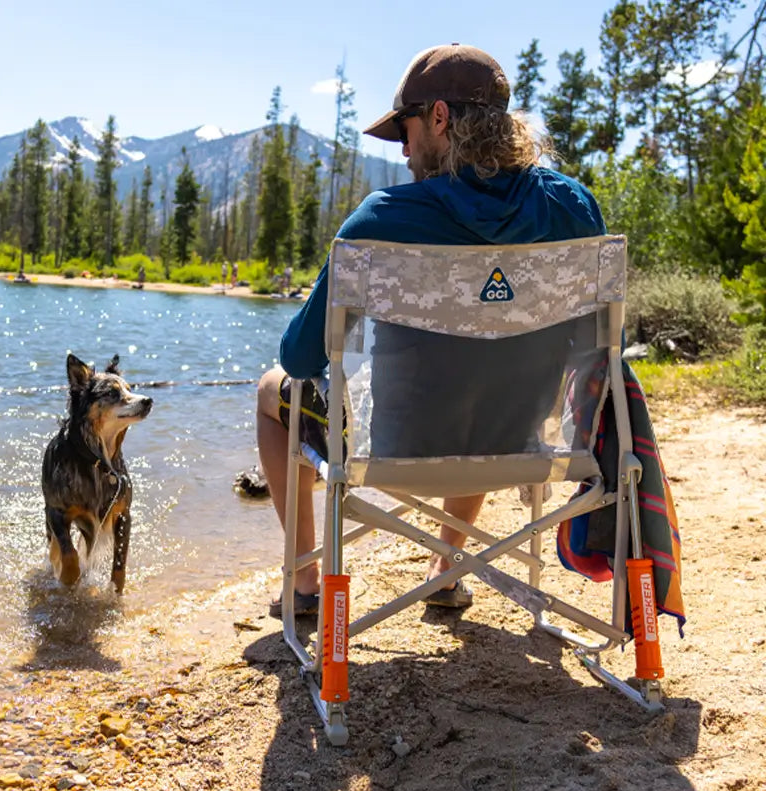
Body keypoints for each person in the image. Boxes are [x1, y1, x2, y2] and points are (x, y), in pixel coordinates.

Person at [256, 43, 606, 617]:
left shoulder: (383, 216)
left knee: (273, 388)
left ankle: (304, 585)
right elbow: (593, 345)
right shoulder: (574, 208)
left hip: (393, 447)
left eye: (406, 130)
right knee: (489, 380)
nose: (404, 149)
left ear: (439, 117)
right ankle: (447, 566)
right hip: (514, 438)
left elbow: (299, 356)